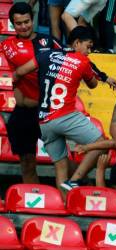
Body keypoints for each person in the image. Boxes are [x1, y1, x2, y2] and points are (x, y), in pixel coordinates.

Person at [13, 26, 116, 195]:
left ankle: (63, 206)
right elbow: (93, 84)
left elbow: (19, 72)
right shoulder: (82, 61)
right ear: (77, 43)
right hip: (65, 115)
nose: (89, 51)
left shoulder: (45, 55)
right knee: (100, 143)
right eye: (88, 46)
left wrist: (17, 88)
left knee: (60, 167)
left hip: (44, 122)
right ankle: (76, 179)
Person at [0, 2, 61, 184]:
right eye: (19, 23)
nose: (24, 26)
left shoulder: (49, 42)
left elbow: (70, 61)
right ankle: (34, 203)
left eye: (27, 21)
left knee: (62, 160)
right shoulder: (7, 45)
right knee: (27, 163)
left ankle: (71, 193)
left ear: (32, 20)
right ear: (13, 24)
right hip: (23, 114)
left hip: (48, 112)